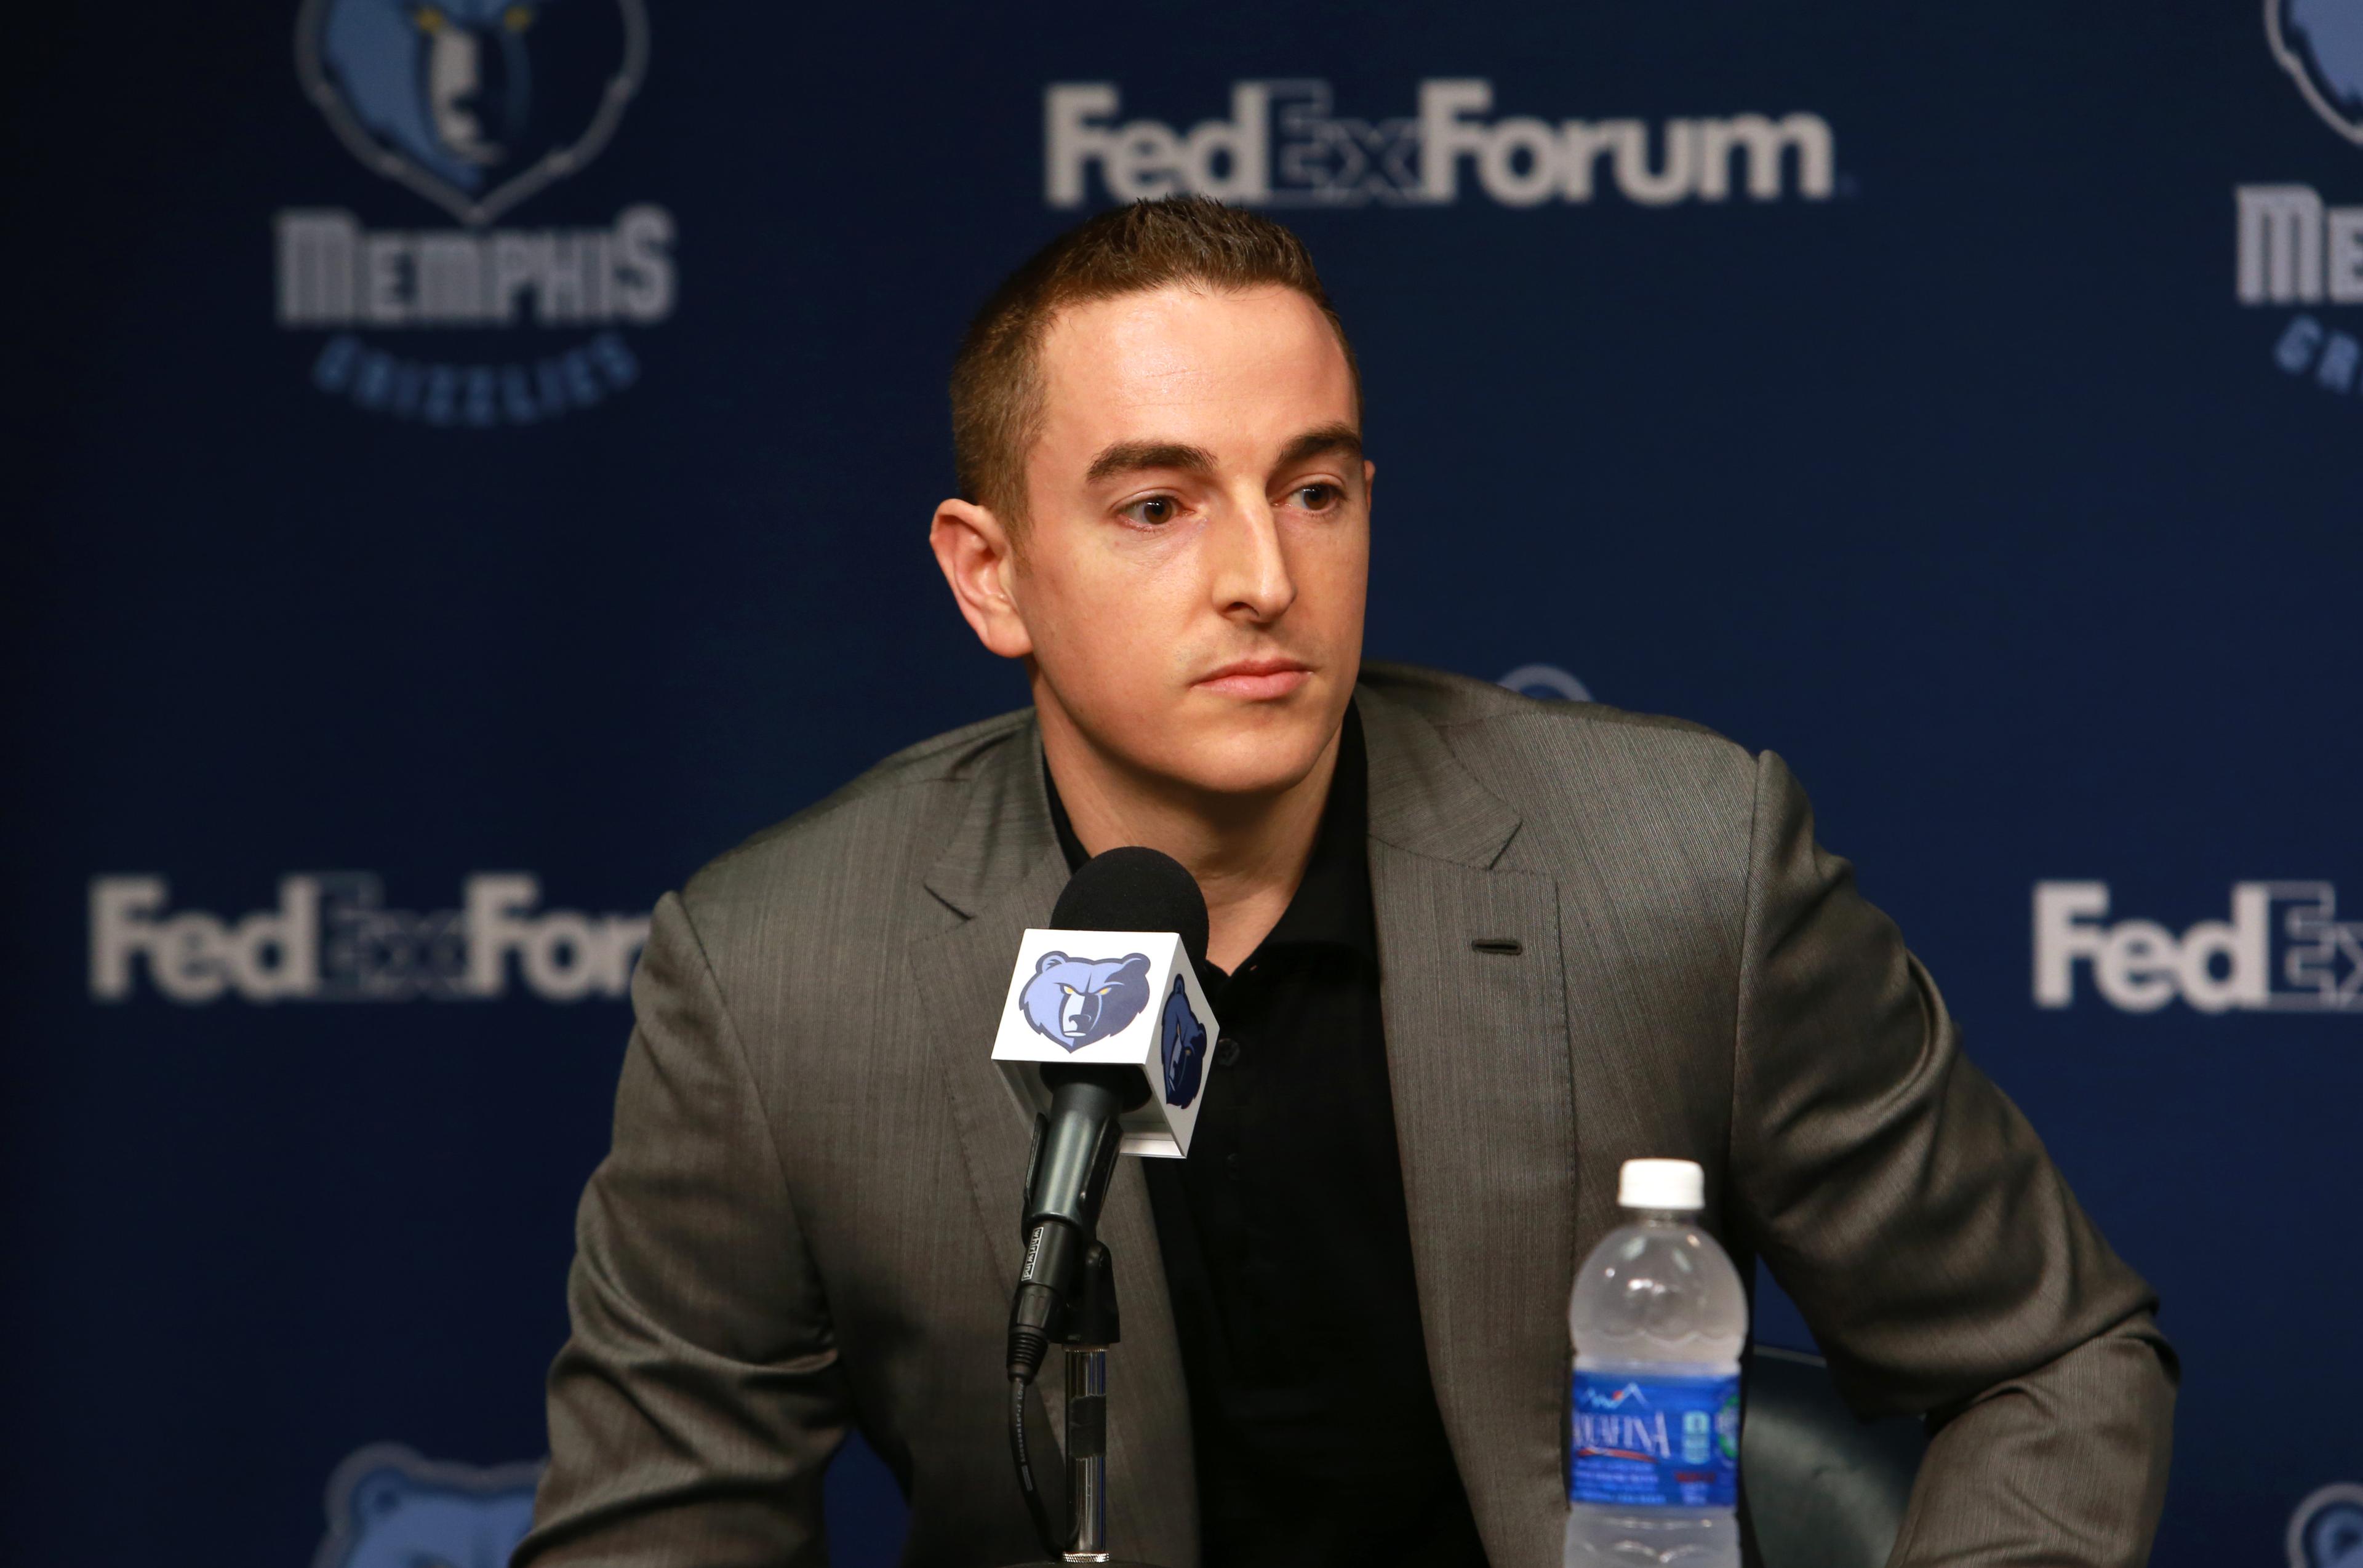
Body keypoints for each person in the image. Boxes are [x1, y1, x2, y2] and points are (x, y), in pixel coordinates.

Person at [514, 196, 2174, 1568]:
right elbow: (653, 1532)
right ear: (990, 576)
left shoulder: (1678, 864)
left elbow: (2054, 1357)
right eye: (1157, 505)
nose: (1263, 576)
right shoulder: (782, 975)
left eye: (1312, 491)